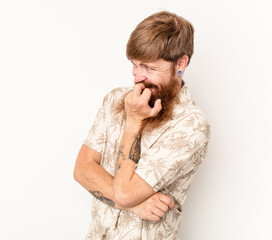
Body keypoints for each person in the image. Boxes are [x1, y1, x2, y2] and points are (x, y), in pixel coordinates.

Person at [73, 11, 210, 240]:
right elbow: (82, 169)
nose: (137, 77)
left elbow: (125, 193)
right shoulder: (115, 99)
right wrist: (135, 206)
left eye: (149, 68)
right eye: (135, 65)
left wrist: (134, 121)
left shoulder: (192, 126)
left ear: (181, 63)